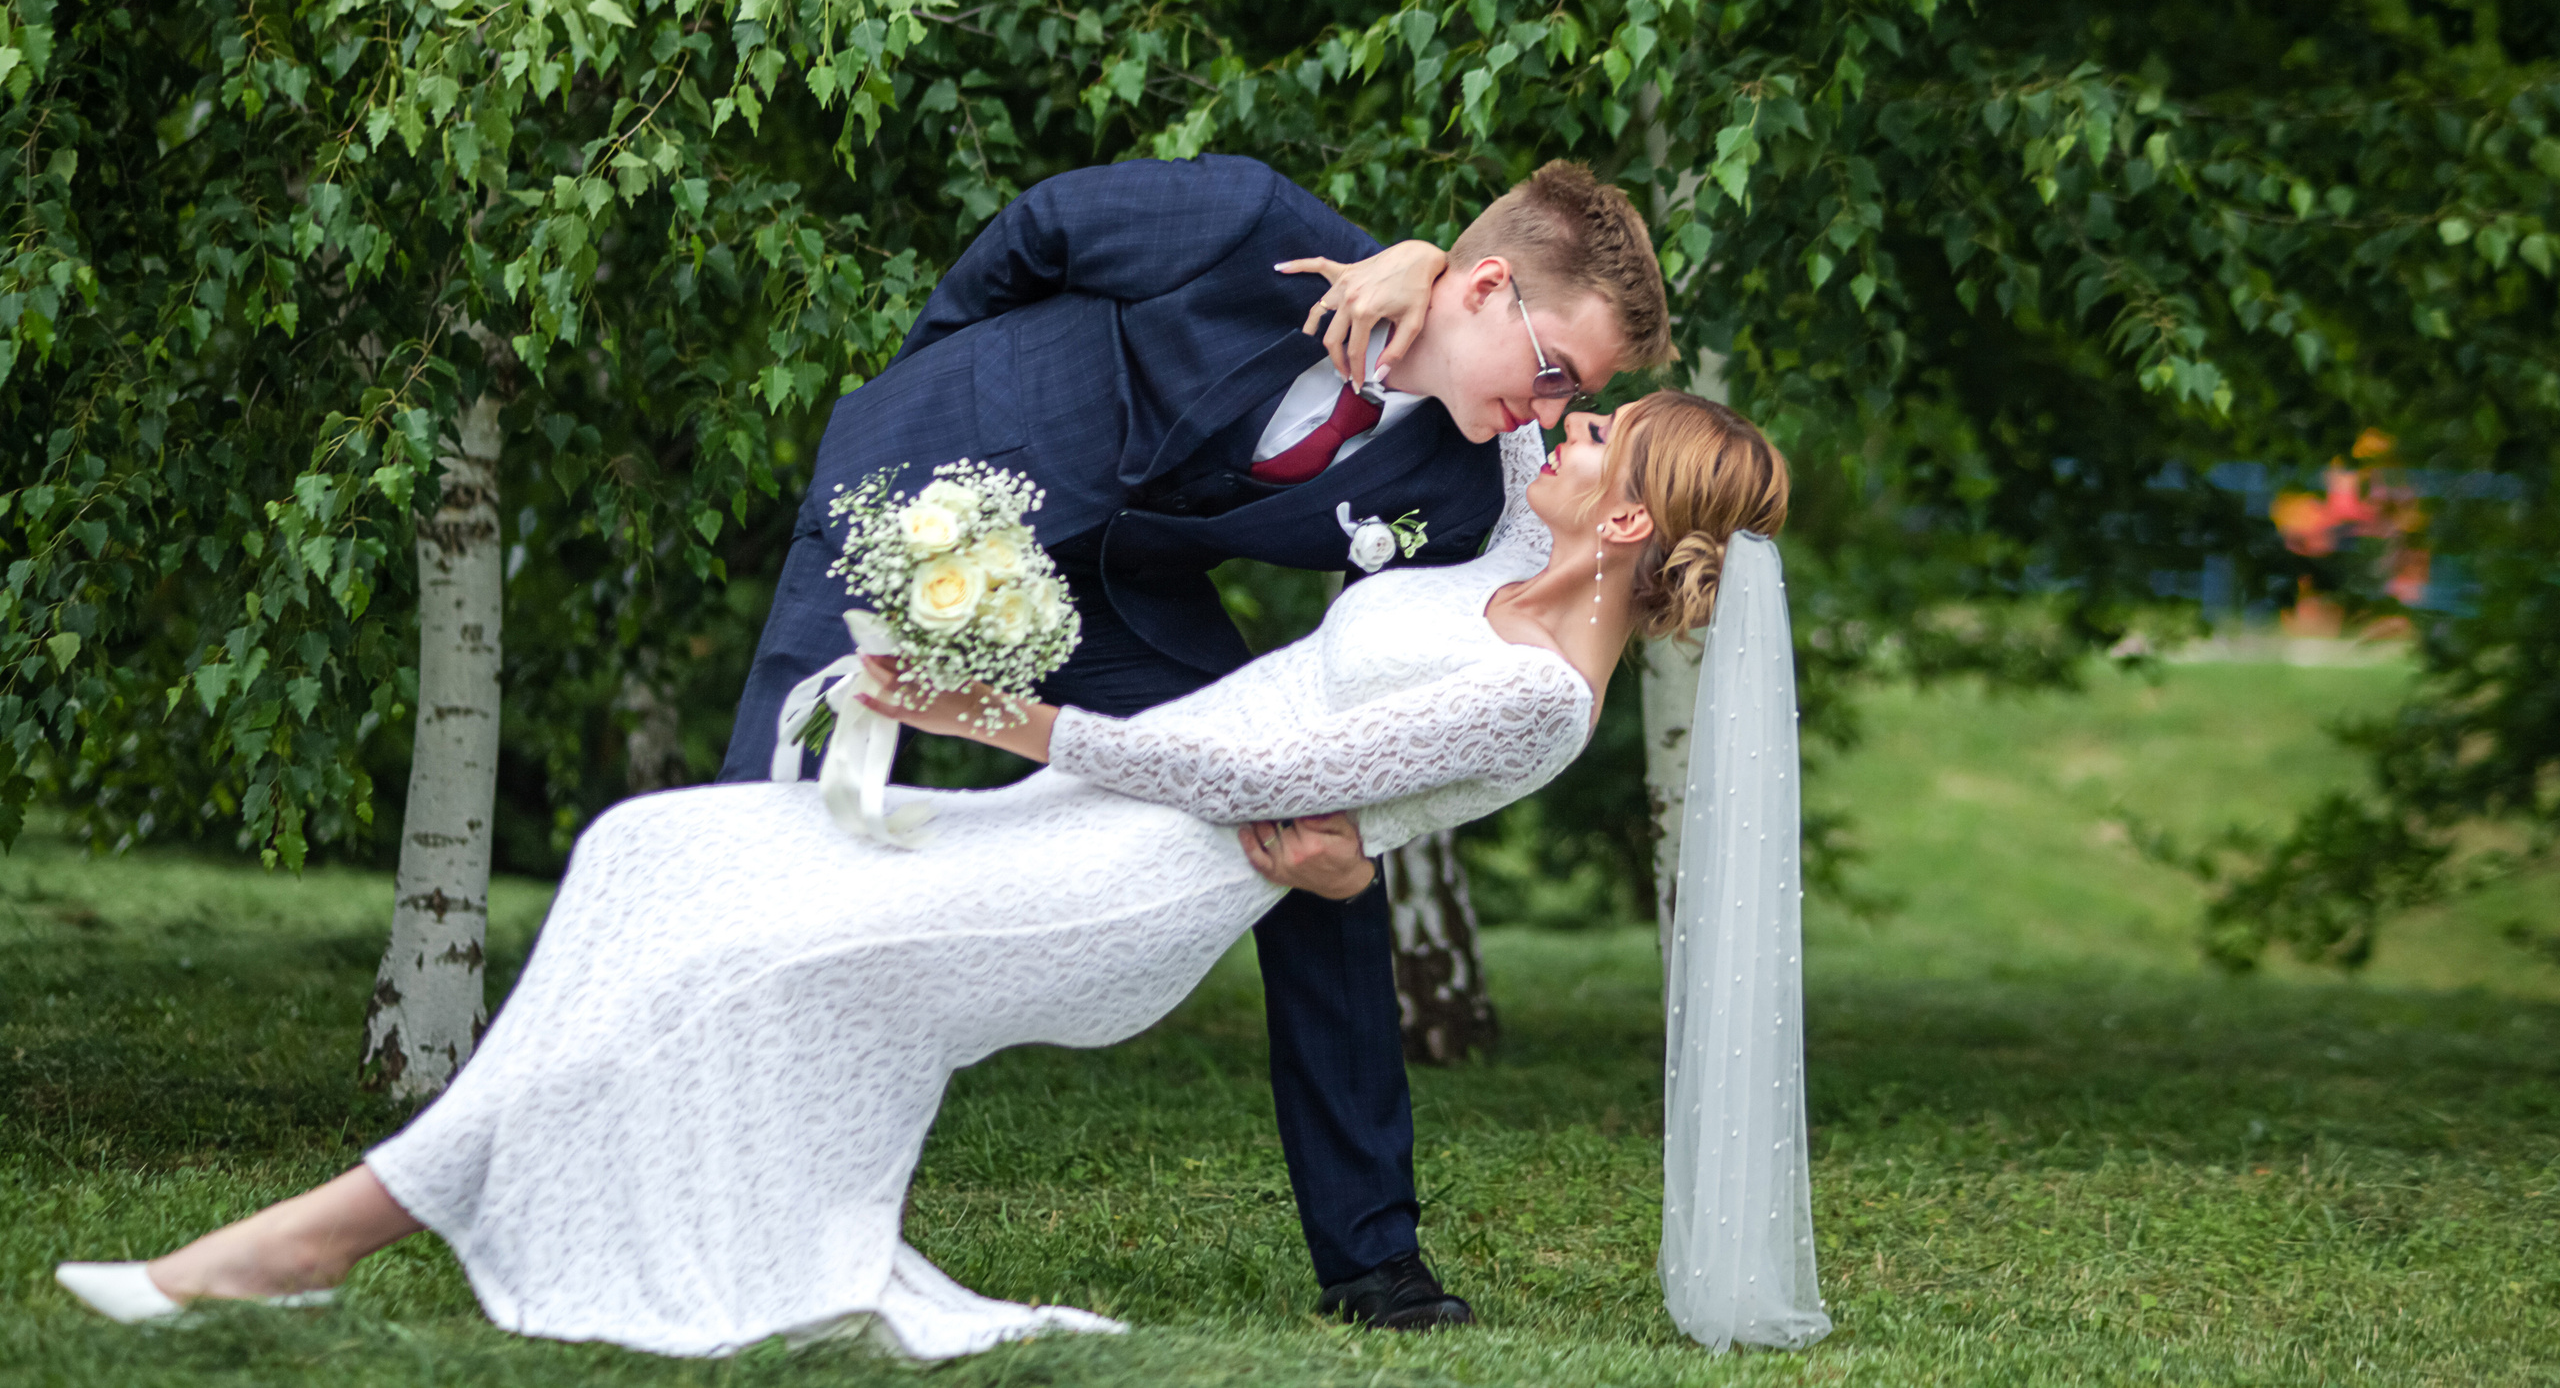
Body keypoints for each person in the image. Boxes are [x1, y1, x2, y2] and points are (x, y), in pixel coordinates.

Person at [59, 392, 1796, 1362]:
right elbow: (1503, 362)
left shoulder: (1532, 685)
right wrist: (1427, 268)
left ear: (1629, 527)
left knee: (721, 961)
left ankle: (314, 1237)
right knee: (658, 845)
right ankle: (409, 1218)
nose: (1555, 436)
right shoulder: (1520, 561)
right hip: (1096, 821)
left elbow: (1269, 785)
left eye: (1592, 440)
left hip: (1129, 883)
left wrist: (1016, 718)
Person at [720, 151, 1673, 1330]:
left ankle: (1374, 1264)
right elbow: (1035, 231)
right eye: (1551, 373)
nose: (1546, 412)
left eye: (1568, 396)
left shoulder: (1474, 484)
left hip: (1125, 600)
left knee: (1314, 850)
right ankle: (730, 1166)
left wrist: (1357, 850)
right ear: (1484, 290)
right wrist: (947, 401)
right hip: (925, 498)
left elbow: (1583, 574)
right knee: (783, 803)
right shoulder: (1247, 222)